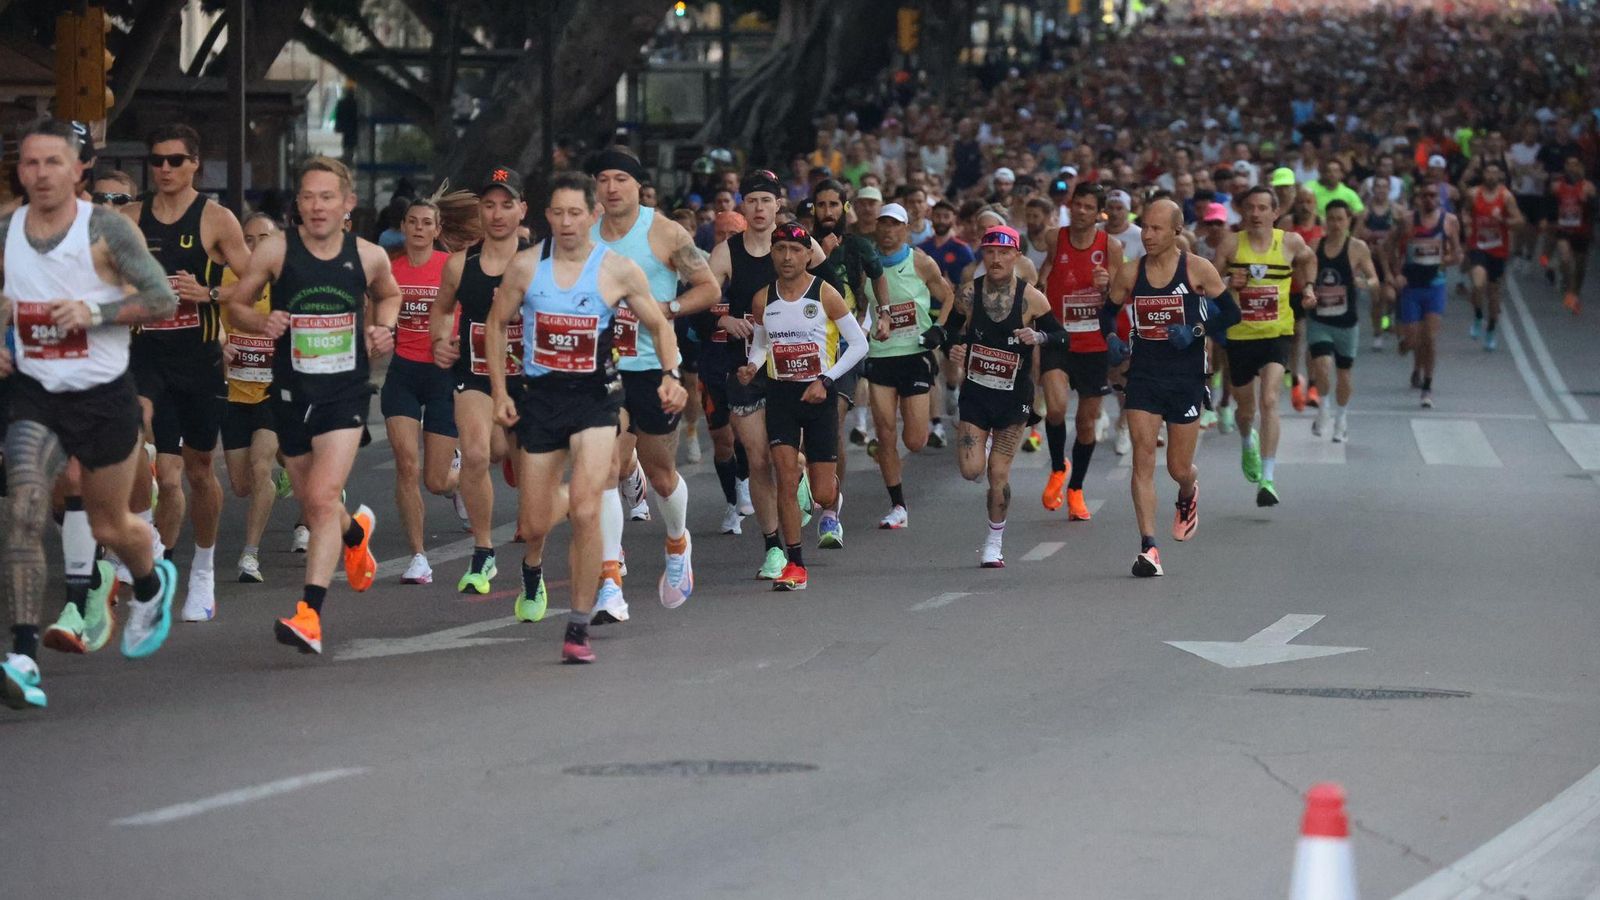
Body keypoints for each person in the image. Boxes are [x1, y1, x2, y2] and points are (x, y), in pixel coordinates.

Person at [2, 119, 182, 709]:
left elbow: (162, 298)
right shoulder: (6, 230)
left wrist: (95, 313)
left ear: (78, 168)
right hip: (35, 390)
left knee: (111, 527)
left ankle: (151, 585)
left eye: (53, 162)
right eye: (30, 163)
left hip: (104, 395)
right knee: (26, 504)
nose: (41, 174)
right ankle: (23, 654)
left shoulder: (103, 230)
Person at [485, 171, 686, 664]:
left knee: (589, 505)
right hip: (541, 399)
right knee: (534, 524)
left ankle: (578, 626)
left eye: (577, 212)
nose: (568, 222)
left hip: (598, 398)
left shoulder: (616, 270)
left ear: (593, 215)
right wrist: (497, 392)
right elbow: (495, 323)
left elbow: (659, 325)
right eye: (559, 213)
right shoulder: (526, 268)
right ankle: (536, 562)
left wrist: (670, 374)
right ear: (547, 216)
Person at [226, 155, 399, 654]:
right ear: (296, 203)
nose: (317, 206)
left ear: (348, 203)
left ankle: (310, 614)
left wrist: (382, 327)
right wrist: (262, 324)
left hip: (344, 392)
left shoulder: (367, 255)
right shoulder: (276, 251)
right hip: (289, 391)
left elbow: (390, 295)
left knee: (322, 497)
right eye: (308, 196)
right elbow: (238, 303)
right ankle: (353, 534)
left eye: (327, 197)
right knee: (313, 502)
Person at [121, 123, 252, 622]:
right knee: (136, 443)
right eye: (157, 161)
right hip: (145, 357)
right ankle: (145, 538)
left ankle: (202, 569)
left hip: (197, 361)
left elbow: (251, 280)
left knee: (197, 470)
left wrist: (209, 294)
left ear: (195, 163)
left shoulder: (216, 219)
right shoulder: (130, 218)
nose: (165, 170)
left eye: (175, 160)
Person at [587, 148, 718, 622]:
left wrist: (668, 310)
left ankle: (678, 544)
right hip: (601, 368)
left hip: (653, 368)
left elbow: (708, 287)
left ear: (638, 186)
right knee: (602, 468)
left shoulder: (665, 232)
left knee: (661, 474)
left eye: (620, 177)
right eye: (603, 178)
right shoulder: (583, 233)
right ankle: (609, 583)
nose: (611, 187)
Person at [1101, 198, 1238, 577]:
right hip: (1144, 375)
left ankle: (1188, 492)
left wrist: (1195, 330)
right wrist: (1112, 337)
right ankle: (1149, 548)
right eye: (1144, 227)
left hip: (1186, 379)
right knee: (1142, 460)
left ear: (1177, 231)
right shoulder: (1131, 273)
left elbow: (1232, 313)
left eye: (1157, 228)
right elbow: (1106, 311)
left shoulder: (1198, 269)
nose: (1147, 235)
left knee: (1178, 467)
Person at [705, 170, 825, 580]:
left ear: (779, 206)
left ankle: (800, 474)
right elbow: (702, 297)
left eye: (766, 201)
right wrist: (724, 321)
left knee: (783, 459)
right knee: (757, 459)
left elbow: (826, 290)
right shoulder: (726, 251)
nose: (759, 209)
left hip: (792, 367)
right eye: (752, 201)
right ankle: (773, 547)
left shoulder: (798, 244)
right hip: (745, 367)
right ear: (742, 206)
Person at [738, 221, 866, 589]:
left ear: (809, 255)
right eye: (780, 250)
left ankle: (826, 496)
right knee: (784, 477)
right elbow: (762, 344)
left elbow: (859, 345)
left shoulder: (825, 293)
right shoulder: (763, 298)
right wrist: (752, 365)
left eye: (795, 250)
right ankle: (795, 563)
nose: (787, 257)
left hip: (819, 397)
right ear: (772, 255)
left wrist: (826, 380)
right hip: (781, 395)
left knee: (824, 492)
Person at [939, 226, 1069, 567]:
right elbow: (948, 330)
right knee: (970, 471)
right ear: (983, 254)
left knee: (998, 474)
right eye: (990, 252)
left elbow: (1061, 336)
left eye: (1004, 252)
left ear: (1016, 256)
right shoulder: (969, 293)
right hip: (977, 393)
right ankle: (978, 447)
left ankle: (994, 542)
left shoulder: (1031, 298)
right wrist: (955, 347)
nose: (996, 259)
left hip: (1014, 398)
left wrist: (1037, 336)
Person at [429, 167, 529, 596]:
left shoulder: (539, 262)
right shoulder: (459, 266)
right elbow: (440, 309)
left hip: (529, 378)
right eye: (489, 205)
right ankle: (483, 552)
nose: (497, 213)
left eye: (507, 205)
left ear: (522, 210)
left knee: (512, 459)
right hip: (474, 374)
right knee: (473, 453)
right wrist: (439, 341)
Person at [1216, 186, 1316, 506]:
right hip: (1241, 335)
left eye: (1263, 208)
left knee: (1269, 400)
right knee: (1246, 410)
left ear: (1275, 213)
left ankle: (1269, 479)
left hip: (1276, 333)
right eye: (1251, 208)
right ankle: (1247, 441)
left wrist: (1310, 287)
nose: (1256, 213)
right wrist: (1230, 283)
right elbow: (1207, 282)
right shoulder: (1231, 244)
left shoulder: (1290, 242)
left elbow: (1308, 259)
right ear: (1243, 212)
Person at [383, 197, 465, 585]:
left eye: (426, 222)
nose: (418, 228)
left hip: (441, 375)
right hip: (402, 372)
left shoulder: (450, 268)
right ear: (403, 226)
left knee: (436, 481)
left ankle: (459, 475)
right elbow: (377, 314)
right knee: (405, 464)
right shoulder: (390, 270)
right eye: (412, 221)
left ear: (437, 229)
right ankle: (418, 556)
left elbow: (470, 318)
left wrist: (459, 346)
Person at [862, 202, 952, 530]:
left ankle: (908, 436)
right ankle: (897, 504)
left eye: (894, 225)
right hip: (881, 354)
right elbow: (858, 304)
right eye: (882, 224)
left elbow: (949, 297)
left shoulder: (921, 261)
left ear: (906, 229)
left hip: (915, 354)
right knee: (886, 434)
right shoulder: (866, 264)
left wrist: (938, 329)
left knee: (915, 441)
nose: (887, 231)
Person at [1035, 182, 1122, 520]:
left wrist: (1106, 285)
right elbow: (1048, 266)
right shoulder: (1055, 237)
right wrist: (1042, 284)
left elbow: (1117, 295)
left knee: (1086, 425)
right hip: (1059, 337)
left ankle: (1076, 489)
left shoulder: (1110, 246)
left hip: (1094, 343)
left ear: (1099, 212)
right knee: (1055, 410)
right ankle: (1058, 467)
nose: (1081, 211)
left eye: (1088, 207)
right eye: (1077, 205)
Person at [809, 179, 887, 549]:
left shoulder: (858, 245)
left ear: (845, 208)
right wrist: (818, 256)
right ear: (813, 209)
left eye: (833, 205)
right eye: (821, 205)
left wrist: (883, 313)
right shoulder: (798, 244)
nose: (827, 212)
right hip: (802, 343)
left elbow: (878, 275)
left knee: (832, 422)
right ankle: (807, 487)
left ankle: (830, 512)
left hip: (843, 343)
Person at [219, 212, 285, 583]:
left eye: (265, 237)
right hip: (233, 394)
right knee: (241, 486)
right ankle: (287, 470)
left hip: (272, 394)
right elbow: (211, 323)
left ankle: (250, 555)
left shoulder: (286, 284)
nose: (257, 245)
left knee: (262, 469)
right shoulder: (228, 281)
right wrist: (222, 346)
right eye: (249, 239)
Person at [1307, 201, 1379, 443]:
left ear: (1348, 221)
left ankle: (1342, 418)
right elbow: (1304, 274)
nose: (1336, 224)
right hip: (1319, 320)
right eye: (1332, 219)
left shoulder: (1357, 248)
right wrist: (1307, 289)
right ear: (1325, 221)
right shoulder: (1315, 245)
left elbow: (1374, 278)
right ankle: (1323, 409)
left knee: (1344, 374)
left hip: (1346, 323)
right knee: (1323, 366)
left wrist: (1365, 283)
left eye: (1340, 219)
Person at [1390, 182, 1462, 409]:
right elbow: (1386, 247)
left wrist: (1443, 261)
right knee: (1413, 339)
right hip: (1411, 285)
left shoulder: (1449, 222)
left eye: (1434, 195)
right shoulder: (1408, 221)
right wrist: (1395, 274)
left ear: (1439, 199)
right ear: (1419, 198)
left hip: (1435, 285)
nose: (1430, 199)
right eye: (1425, 195)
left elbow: (1457, 254)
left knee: (1429, 337)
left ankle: (1427, 386)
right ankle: (1411, 357)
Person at [1464, 161, 1522, 349]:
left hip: (1498, 249)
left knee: (1494, 295)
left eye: (1494, 173)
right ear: (1483, 175)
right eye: (1487, 172)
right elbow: (1465, 212)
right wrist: (1466, 224)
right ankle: (1478, 316)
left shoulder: (1506, 197)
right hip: (1478, 246)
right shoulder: (1473, 194)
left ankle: (1490, 329)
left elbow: (1519, 221)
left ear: (1500, 176)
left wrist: (1503, 220)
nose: (1490, 176)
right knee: (1478, 283)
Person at [1549, 154, 1595, 314]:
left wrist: (1587, 200)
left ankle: (1575, 291)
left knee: (1580, 266)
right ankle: (1569, 290)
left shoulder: (1587, 186)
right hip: (1564, 229)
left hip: (1582, 231)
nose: (1572, 167)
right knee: (1566, 258)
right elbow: (1551, 206)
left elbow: (1596, 207)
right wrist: (1549, 222)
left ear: (1580, 167)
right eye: (1569, 164)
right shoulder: (1557, 186)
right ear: (1565, 166)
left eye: (1575, 164)